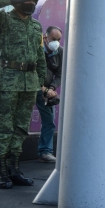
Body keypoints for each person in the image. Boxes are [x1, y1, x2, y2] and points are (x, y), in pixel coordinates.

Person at [0, 0, 46, 189]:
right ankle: (0, 172)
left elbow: (39, 56)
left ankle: (14, 169)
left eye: (34, 0)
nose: (31, 4)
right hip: (7, 81)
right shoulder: (3, 20)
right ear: (17, 2)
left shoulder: (35, 26)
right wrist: (9, 0)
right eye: (26, 0)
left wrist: (40, 83)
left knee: (21, 129)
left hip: (29, 83)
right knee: (4, 128)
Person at [36, 25, 63, 163]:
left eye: (59, 39)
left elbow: (60, 74)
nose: (56, 42)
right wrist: (43, 89)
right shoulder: (36, 49)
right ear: (45, 37)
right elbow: (31, 71)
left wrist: (51, 88)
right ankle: (10, 154)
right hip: (30, 87)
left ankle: (45, 151)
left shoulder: (60, 52)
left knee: (49, 121)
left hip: (46, 90)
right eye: (53, 39)